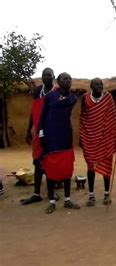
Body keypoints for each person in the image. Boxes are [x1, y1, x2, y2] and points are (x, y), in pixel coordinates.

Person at [39, 72, 80, 214]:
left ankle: (67, 200)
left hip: (65, 137)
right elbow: (42, 116)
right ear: (58, 81)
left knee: (67, 170)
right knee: (51, 170)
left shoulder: (72, 98)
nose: (68, 81)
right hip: (50, 137)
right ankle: (51, 201)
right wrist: (41, 134)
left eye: (70, 78)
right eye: (65, 79)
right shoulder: (50, 97)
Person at [79, 78, 116, 206]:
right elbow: (83, 118)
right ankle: (91, 196)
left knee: (107, 166)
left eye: (101, 84)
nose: (100, 86)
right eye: (96, 84)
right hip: (90, 138)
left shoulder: (108, 98)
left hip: (105, 139)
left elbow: (112, 117)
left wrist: (114, 137)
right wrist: (82, 137)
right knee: (91, 166)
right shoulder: (85, 98)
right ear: (91, 86)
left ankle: (107, 194)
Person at [21, 68, 58, 205]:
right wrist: (28, 129)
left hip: (53, 131)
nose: (47, 77)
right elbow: (33, 111)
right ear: (42, 77)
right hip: (38, 130)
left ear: (53, 77)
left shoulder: (58, 92)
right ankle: (36, 193)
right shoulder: (37, 91)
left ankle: (51, 192)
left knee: (51, 161)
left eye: (49, 75)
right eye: (44, 75)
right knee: (37, 160)